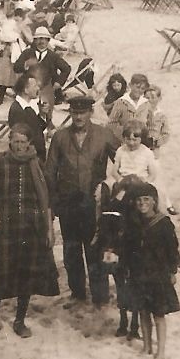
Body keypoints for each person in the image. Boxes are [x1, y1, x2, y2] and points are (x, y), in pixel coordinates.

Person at [0, 127, 60, 337]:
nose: (19, 146)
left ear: (29, 143)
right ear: (9, 141)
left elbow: (47, 198)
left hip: (32, 230)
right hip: (5, 229)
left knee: (26, 276)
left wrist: (49, 228)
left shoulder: (37, 164)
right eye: (15, 141)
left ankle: (20, 320)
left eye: (23, 142)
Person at [45, 95, 120, 306]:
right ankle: (77, 293)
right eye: (75, 113)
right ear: (70, 113)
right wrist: (53, 202)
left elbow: (123, 162)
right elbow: (50, 172)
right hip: (68, 204)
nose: (78, 117)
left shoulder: (104, 135)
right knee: (71, 251)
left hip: (94, 203)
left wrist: (109, 184)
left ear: (90, 113)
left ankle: (100, 296)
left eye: (82, 112)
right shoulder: (60, 137)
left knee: (95, 250)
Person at [125, 183, 180, 359]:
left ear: (154, 201)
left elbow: (173, 251)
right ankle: (147, 346)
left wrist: (172, 271)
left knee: (158, 314)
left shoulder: (163, 223)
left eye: (146, 199)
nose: (142, 203)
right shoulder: (133, 223)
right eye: (139, 200)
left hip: (158, 275)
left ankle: (161, 351)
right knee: (142, 311)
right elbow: (129, 249)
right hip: (139, 273)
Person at [15, 26, 72, 108]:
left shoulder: (53, 56)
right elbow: (16, 68)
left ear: (48, 40)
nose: (41, 41)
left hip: (46, 90)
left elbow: (66, 68)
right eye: (38, 39)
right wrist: (25, 65)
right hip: (28, 91)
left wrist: (58, 83)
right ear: (35, 40)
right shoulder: (27, 53)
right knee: (26, 113)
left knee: (45, 116)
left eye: (43, 39)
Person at [8, 73, 50, 160]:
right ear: (26, 90)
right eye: (34, 86)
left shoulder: (28, 107)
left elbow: (39, 127)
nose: (38, 88)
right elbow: (21, 140)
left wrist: (44, 113)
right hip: (29, 158)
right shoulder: (18, 110)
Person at [143, 85, 171, 154]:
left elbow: (166, 134)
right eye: (147, 98)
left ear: (159, 98)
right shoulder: (141, 113)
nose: (150, 100)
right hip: (141, 147)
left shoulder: (162, 115)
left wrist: (156, 142)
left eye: (153, 97)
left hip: (154, 149)